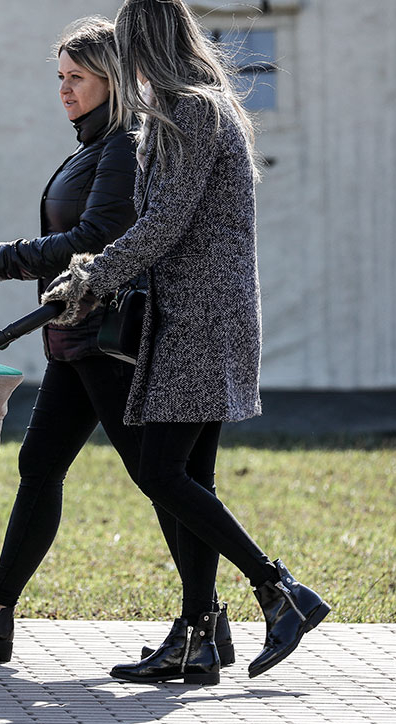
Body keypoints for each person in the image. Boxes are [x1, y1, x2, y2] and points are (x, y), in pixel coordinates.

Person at [43, 0, 330, 684]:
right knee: (188, 477)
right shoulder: (183, 111)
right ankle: (197, 639)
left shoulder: (195, 111)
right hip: (191, 313)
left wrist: (90, 274)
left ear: (147, 46)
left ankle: (278, 589)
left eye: (128, 52)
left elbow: (165, 221)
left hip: (202, 319)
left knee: (161, 472)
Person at [0, 16, 235, 667]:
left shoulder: (124, 144)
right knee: (41, 464)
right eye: (60, 78)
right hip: (74, 335)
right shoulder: (91, 146)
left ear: (113, 78)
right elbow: (72, 236)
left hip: (109, 338)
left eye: (77, 77)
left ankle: (205, 623)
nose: (65, 90)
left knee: (163, 480)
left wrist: (1, 258)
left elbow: (96, 237)